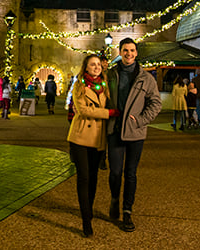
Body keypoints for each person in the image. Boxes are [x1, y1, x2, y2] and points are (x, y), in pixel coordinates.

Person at [106, 37, 162, 232]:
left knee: (130, 173)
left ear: (136, 53)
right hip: (114, 130)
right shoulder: (111, 74)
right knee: (115, 172)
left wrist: (140, 120)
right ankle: (114, 198)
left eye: (132, 50)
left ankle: (127, 211)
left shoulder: (146, 78)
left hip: (135, 132)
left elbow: (155, 103)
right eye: (125, 50)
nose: (129, 53)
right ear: (120, 52)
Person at [67, 54, 118, 237]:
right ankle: (86, 219)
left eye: (98, 64)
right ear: (86, 67)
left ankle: (88, 209)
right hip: (80, 136)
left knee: (94, 178)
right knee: (84, 177)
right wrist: (109, 112)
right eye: (92, 64)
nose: (96, 67)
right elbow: (83, 110)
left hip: (98, 137)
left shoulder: (104, 85)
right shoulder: (79, 85)